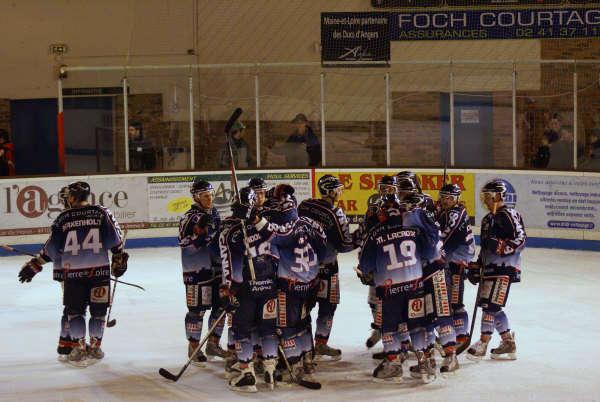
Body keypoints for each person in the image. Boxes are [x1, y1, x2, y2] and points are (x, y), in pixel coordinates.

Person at [18, 181, 128, 367]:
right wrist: (119, 260)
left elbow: (51, 250)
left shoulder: (63, 218)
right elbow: (116, 242)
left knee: (75, 313)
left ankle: (79, 348)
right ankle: (95, 347)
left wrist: (35, 265)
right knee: (99, 313)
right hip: (99, 273)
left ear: (73, 197)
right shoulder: (102, 212)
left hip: (73, 275)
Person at [233, 183, 327, 383]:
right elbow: (324, 250)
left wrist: (253, 217)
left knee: (286, 328)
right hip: (310, 284)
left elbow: (272, 233)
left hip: (289, 287)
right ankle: (307, 361)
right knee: (304, 323)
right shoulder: (311, 223)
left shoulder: (284, 228)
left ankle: (293, 365)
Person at [357, 194, 441, 383]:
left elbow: (365, 265)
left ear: (382, 213)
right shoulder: (414, 229)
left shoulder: (375, 233)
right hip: (415, 286)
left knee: (389, 328)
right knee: (417, 326)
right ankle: (424, 364)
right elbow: (430, 253)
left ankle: (393, 364)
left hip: (390, 290)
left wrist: (366, 273)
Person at [220, 187, 279, 392]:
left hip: (246, 290)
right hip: (269, 286)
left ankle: (247, 373)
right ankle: (270, 370)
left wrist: (228, 290)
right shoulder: (267, 225)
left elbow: (229, 265)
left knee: (242, 330)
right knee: (268, 330)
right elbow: (276, 244)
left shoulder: (229, 233)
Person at [298, 175, 356, 361]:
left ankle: (301, 345)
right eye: (338, 189)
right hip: (326, 269)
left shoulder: (305, 205)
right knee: (328, 306)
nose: (340, 192)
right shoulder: (335, 213)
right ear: (330, 191)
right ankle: (320, 344)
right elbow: (345, 245)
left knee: (302, 307)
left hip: (302, 267)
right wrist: (362, 235)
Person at [467, 178, 526, 361]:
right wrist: (478, 264)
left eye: (488, 196)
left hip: (505, 267)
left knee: (489, 306)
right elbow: (486, 247)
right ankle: (508, 341)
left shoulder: (509, 214)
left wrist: (500, 246)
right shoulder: (487, 219)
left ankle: (483, 343)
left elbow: (520, 240)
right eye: (484, 196)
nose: (485, 199)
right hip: (490, 267)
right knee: (493, 306)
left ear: (498, 196)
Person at [178, 178, 227, 365]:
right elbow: (184, 244)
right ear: (196, 197)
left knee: (221, 308)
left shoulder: (215, 213)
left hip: (218, 269)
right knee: (197, 311)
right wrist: (200, 234)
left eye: (211, 195)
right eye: (205, 196)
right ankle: (194, 346)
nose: (209, 199)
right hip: (197, 272)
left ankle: (213, 344)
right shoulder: (189, 218)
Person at [436, 183, 475, 356]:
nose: (445, 201)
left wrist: (435, 256)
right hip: (451, 261)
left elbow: (446, 238)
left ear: (457, 199)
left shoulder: (456, 213)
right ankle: (452, 334)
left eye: (449, 198)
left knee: (455, 302)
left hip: (457, 262)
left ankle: (461, 336)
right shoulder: (447, 212)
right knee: (448, 301)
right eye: (443, 197)